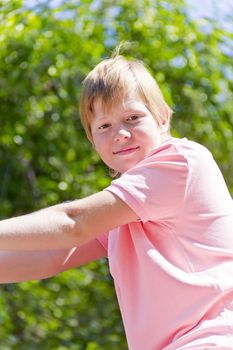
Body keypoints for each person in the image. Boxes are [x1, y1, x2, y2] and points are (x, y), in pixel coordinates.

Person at [1, 54, 233, 350]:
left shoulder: (181, 162)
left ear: (162, 117)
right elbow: (51, 256)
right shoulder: (124, 211)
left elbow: (73, 223)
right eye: (104, 126)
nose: (121, 134)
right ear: (92, 140)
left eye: (133, 118)